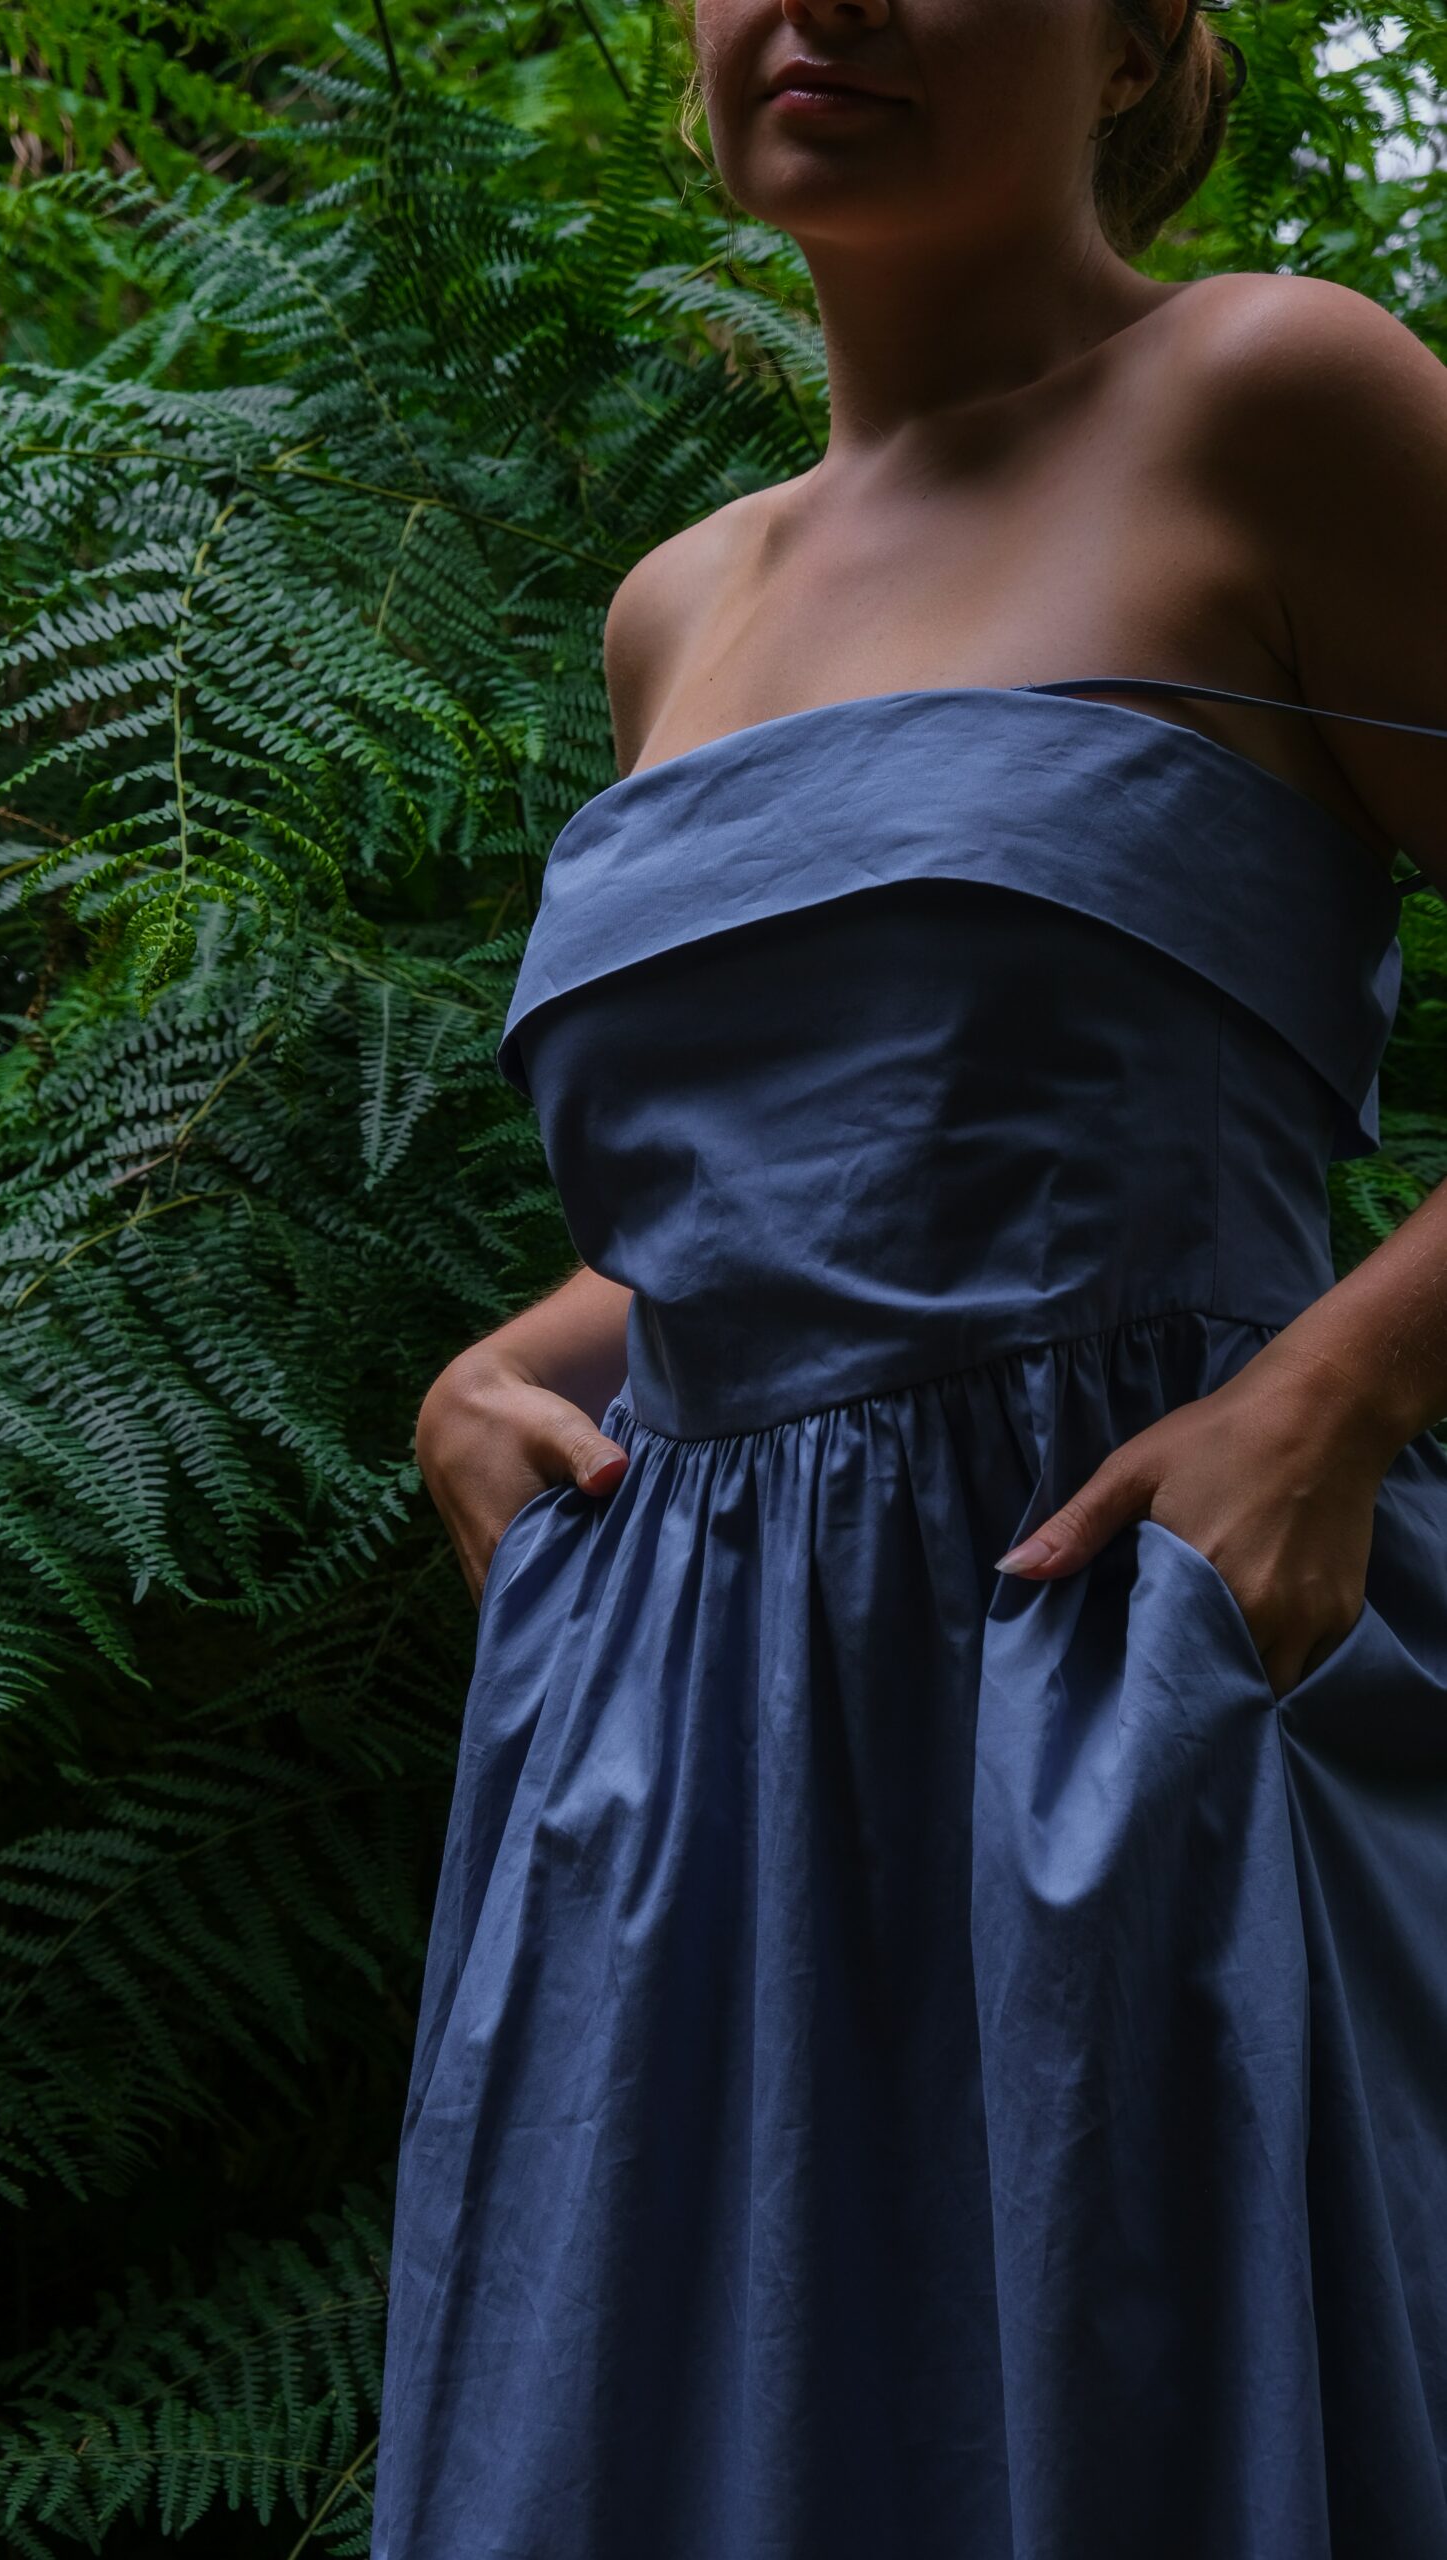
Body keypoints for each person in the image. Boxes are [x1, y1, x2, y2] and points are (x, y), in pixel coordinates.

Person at [371, 4, 1447, 2553]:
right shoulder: (684, 603)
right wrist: (495, 1366)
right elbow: (819, 1177)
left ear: (1127, 45)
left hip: (1114, 1683)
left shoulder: (1265, 393)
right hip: (672, 1781)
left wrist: (1339, 1388)